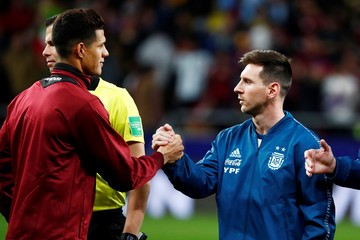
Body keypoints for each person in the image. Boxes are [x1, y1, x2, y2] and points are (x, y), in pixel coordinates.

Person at [0, 8, 183, 240]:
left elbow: (3, 170)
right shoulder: (84, 104)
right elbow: (126, 175)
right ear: (80, 49)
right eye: (100, 46)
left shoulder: (23, 99)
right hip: (65, 232)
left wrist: (19, 215)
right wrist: (162, 156)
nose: (105, 53)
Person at [152, 49, 335, 240]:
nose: (237, 88)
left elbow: (319, 222)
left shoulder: (305, 144)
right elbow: (200, 183)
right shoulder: (228, 138)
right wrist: (175, 158)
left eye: (247, 82)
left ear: (272, 90)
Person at [41, 15, 149, 240]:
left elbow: (139, 175)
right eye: (46, 44)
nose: (46, 52)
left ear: (75, 47)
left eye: (51, 43)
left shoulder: (118, 98)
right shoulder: (37, 96)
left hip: (103, 223)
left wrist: (129, 232)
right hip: (53, 220)